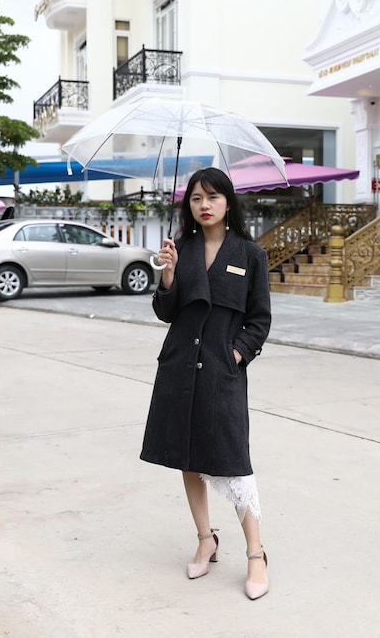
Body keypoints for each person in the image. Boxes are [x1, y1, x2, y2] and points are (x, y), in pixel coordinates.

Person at [141, 167, 272, 600]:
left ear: (228, 202)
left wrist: (235, 355)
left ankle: (256, 554)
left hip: (222, 371)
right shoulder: (181, 250)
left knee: (233, 461)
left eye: (213, 197)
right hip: (180, 367)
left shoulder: (250, 254)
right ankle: (205, 539)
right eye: (196, 198)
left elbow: (259, 320)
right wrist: (169, 276)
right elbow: (166, 312)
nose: (204, 205)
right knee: (188, 456)